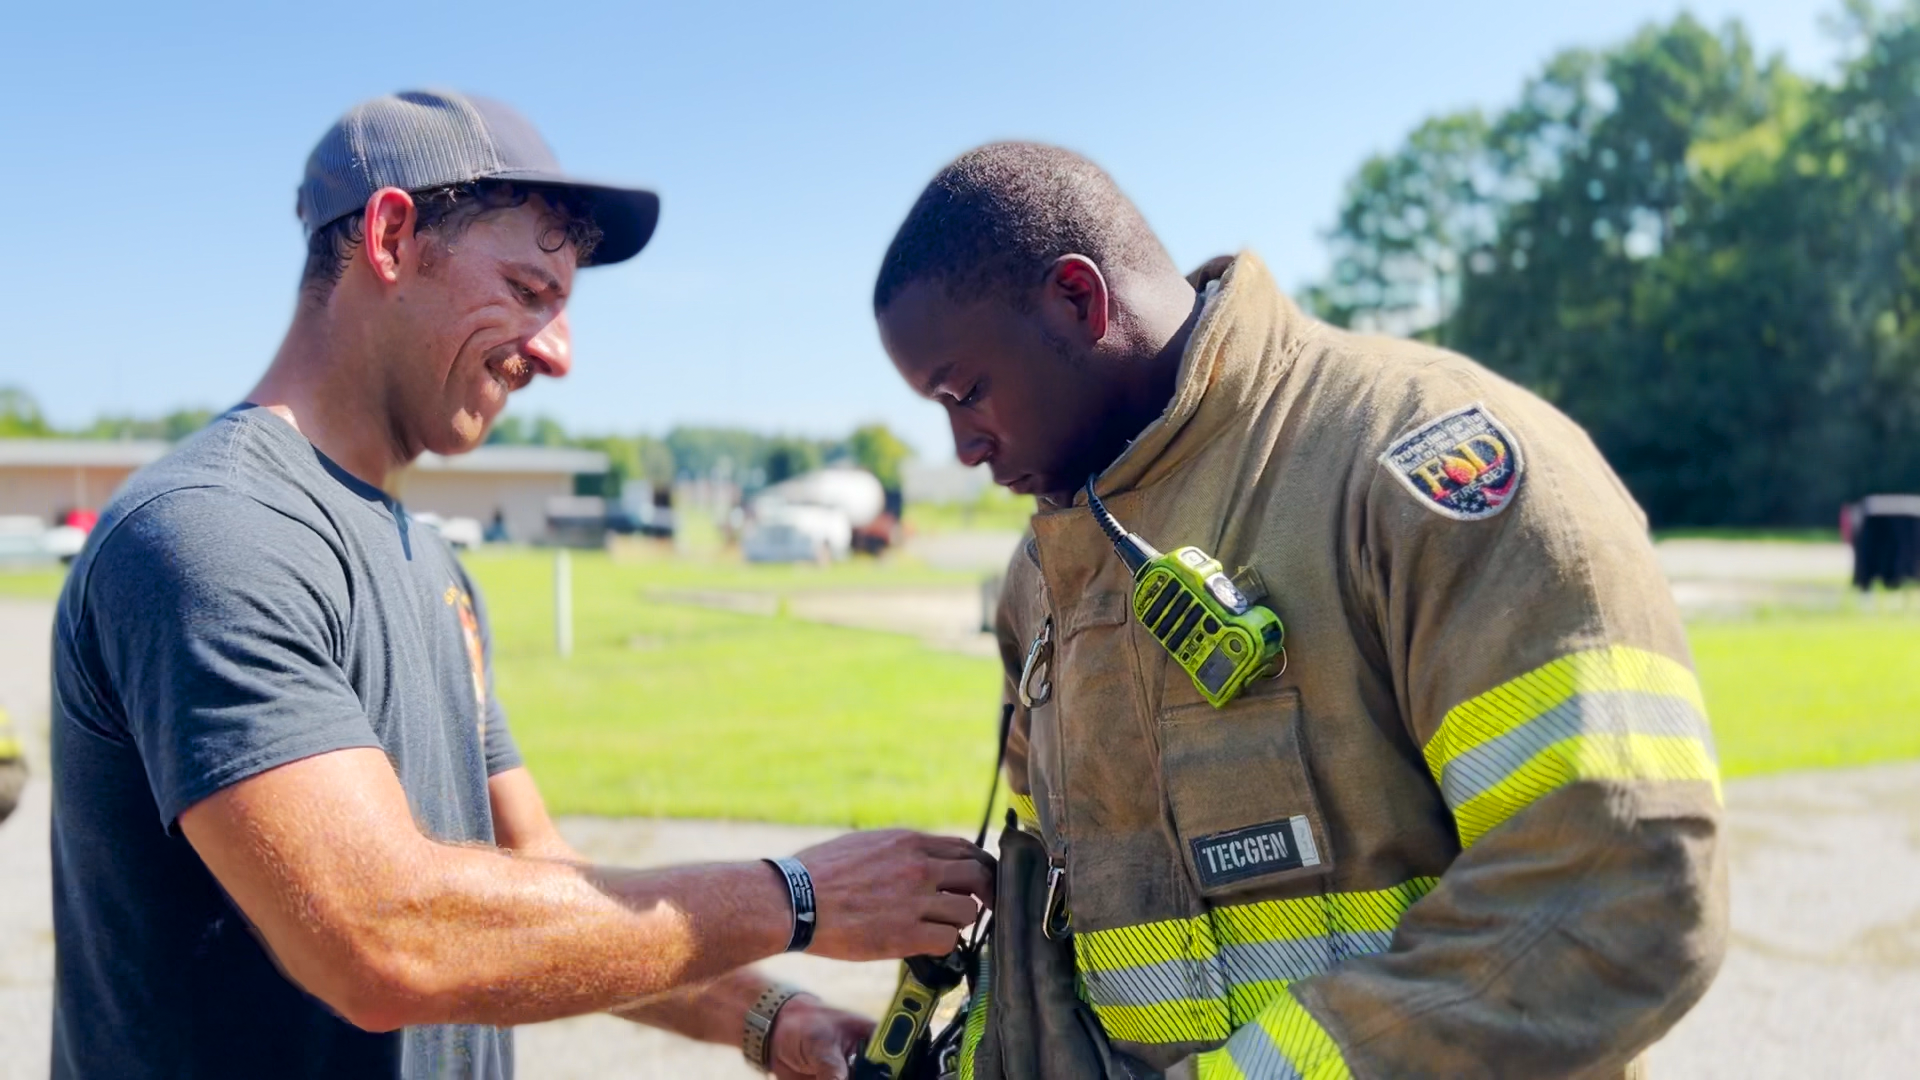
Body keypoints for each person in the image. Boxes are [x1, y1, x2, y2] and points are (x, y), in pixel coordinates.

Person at [48, 90, 992, 1080]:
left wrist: (771, 1019)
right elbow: (384, 938)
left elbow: (547, 887)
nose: (559, 352)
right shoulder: (215, 532)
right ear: (393, 235)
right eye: (530, 289)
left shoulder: (430, 562)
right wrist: (798, 898)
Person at [872, 143, 1725, 1079]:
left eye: (966, 391)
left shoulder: (1420, 463)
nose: (960, 447)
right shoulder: (1040, 579)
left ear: (1079, 300)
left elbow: (1619, 888)